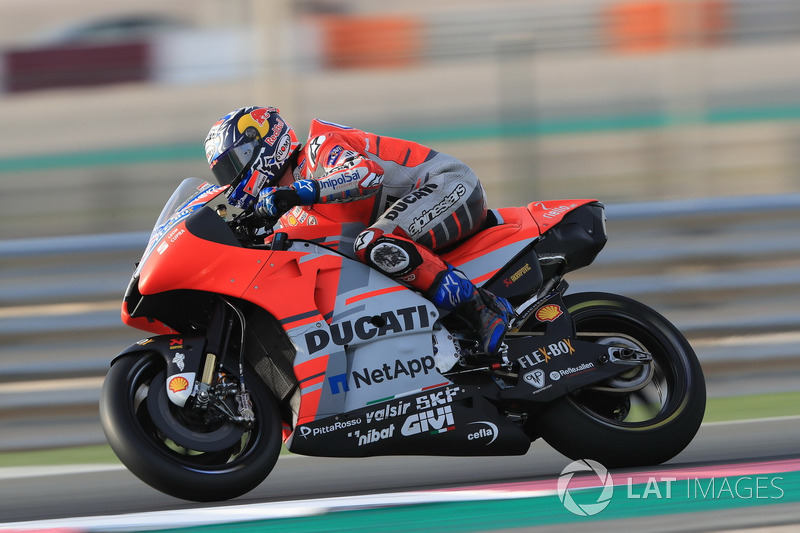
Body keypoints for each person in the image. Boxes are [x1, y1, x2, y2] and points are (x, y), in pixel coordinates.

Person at [204, 106, 513, 357]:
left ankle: (483, 307)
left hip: (448, 184)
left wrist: (302, 191)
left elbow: (365, 174)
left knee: (373, 243)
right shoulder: (288, 212)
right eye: (224, 171)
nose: (232, 177)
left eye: (235, 163)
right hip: (412, 217)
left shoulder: (318, 148)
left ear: (263, 142)